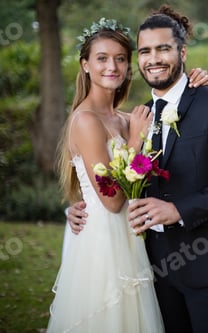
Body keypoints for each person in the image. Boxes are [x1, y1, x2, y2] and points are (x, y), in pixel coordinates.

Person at [70, 6, 208, 333]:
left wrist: (178, 210)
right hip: (151, 268)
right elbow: (114, 175)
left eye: (163, 49)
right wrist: (76, 207)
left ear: (182, 52)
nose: (153, 58)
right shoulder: (139, 117)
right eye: (145, 51)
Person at [47, 18, 164, 332]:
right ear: (85, 64)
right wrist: (137, 141)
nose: (112, 66)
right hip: (104, 243)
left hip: (132, 238)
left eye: (120, 58)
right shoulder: (85, 120)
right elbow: (111, 201)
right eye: (102, 58)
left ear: (128, 66)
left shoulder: (126, 119)